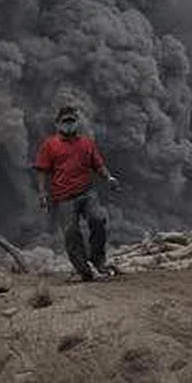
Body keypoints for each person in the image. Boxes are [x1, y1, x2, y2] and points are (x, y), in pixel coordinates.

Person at [33, 105, 119, 281]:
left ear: (77, 123)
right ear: (57, 124)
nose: (69, 124)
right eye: (65, 121)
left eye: (72, 121)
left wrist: (109, 178)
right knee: (71, 233)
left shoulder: (86, 143)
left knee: (98, 218)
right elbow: (42, 170)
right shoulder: (50, 145)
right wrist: (42, 193)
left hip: (87, 191)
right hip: (63, 197)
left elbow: (98, 165)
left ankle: (98, 260)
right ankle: (83, 270)